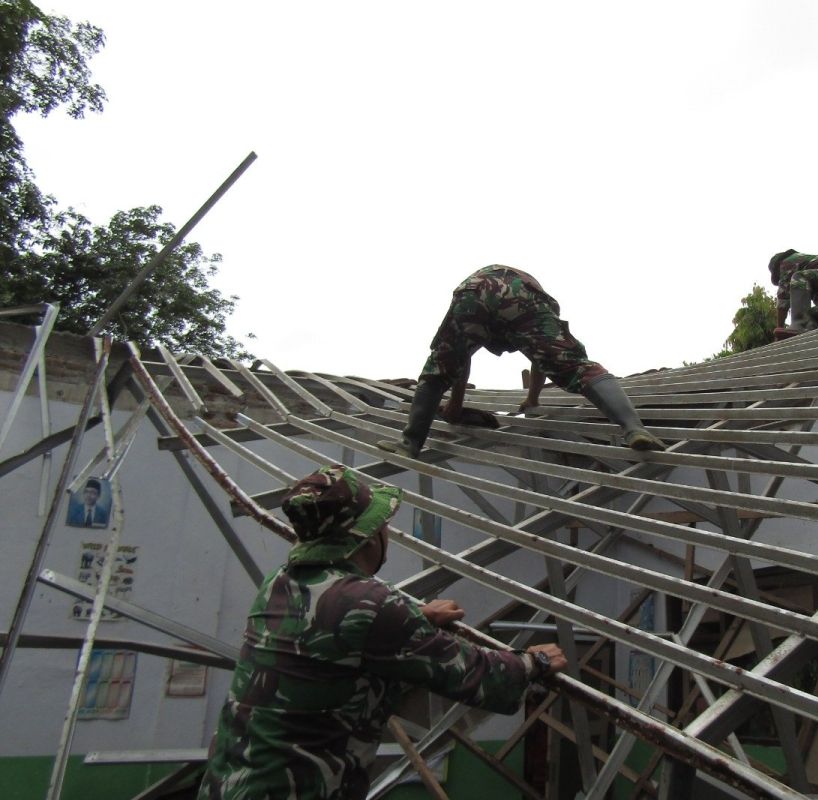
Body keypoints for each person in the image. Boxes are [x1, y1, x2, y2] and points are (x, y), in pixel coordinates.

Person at [198, 464, 566, 800]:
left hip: (229, 782)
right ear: (370, 536)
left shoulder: (280, 583)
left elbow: (327, 632)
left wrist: (414, 616)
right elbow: (476, 675)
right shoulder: (370, 604)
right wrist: (534, 662)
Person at [379, 265, 666, 457]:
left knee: (439, 368)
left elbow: (459, 358)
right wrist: (533, 399)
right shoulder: (534, 307)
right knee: (575, 366)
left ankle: (409, 443)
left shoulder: (483, 309)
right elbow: (540, 358)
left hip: (473, 291)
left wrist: (454, 404)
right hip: (526, 295)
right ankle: (633, 429)